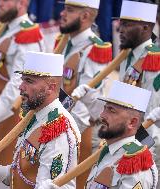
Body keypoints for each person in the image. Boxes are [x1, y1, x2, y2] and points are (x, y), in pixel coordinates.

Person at [0, 51, 81, 189]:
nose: (21, 86)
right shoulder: (34, 117)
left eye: (29, 81)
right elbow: (20, 175)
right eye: (23, 79)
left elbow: (46, 184)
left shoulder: (58, 130)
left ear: (51, 87)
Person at [0, 0, 45, 167]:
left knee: (1, 170)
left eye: (5, 0)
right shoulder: (7, 29)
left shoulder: (27, 36)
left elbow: (18, 86)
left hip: (13, 115)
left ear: (22, 3)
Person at [57, 0, 112, 187]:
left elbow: (87, 107)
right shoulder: (65, 41)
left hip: (78, 132)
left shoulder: (94, 49)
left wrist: (58, 135)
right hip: (60, 123)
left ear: (85, 16)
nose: (62, 13)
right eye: (64, 8)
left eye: (69, 10)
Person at [72, 80, 158, 188]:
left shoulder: (135, 164)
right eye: (105, 108)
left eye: (111, 111)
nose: (102, 115)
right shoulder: (109, 151)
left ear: (132, 122)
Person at [116, 1, 160, 186]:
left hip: (148, 139)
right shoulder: (127, 55)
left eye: (127, 24)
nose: (120, 29)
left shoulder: (153, 58)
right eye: (120, 23)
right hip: (128, 135)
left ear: (145, 27)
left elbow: (152, 107)